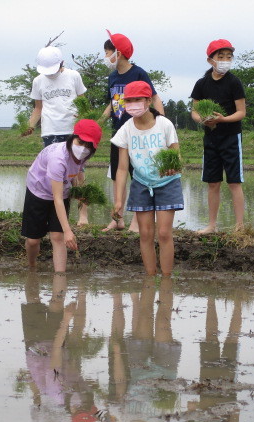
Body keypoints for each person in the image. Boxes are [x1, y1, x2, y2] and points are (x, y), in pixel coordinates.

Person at [111, 81, 183, 277]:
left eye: (137, 100)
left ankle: (166, 279)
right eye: (129, 101)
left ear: (148, 100)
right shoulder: (126, 129)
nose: (133, 104)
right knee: (145, 234)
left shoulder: (164, 124)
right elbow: (122, 168)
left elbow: (176, 155)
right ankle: (150, 279)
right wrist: (118, 200)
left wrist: (172, 167)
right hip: (141, 184)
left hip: (167, 183)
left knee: (164, 233)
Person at [101, 30, 165, 232]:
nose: (105, 57)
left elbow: (154, 97)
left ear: (118, 53)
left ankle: (137, 221)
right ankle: (117, 218)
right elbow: (113, 103)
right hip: (119, 133)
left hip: (139, 132)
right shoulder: (112, 77)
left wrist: (161, 123)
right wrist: (99, 121)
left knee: (139, 176)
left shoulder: (138, 73)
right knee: (116, 176)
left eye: (107, 52)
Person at [22, 119, 102, 273]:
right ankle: (31, 266)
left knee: (57, 238)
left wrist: (81, 196)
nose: (84, 148)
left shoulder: (83, 155)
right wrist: (68, 231)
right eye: (81, 142)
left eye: (89, 145)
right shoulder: (57, 159)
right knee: (33, 240)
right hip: (38, 191)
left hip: (61, 190)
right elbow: (56, 198)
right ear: (73, 137)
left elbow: (78, 176)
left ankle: (60, 280)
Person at [24, 46, 89, 225]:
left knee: (78, 173)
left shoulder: (73, 76)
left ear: (61, 63)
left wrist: (83, 119)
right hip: (50, 131)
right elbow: (38, 108)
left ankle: (83, 214)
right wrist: (29, 126)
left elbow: (84, 103)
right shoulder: (38, 81)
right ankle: (56, 215)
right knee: (54, 173)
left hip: (72, 130)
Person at [190, 39, 246, 234]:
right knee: (213, 182)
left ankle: (240, 226)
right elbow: (194, 112)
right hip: (211, 138)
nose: (225, 60)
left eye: (229, 57)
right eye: (220, 57)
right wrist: (202, 120)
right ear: (210, 60)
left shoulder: (234, 82)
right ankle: (212, 225)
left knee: (234, 182)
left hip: (231, 136)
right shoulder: (201, 84)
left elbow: (241, 112)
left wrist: (223, 119)